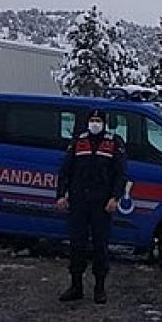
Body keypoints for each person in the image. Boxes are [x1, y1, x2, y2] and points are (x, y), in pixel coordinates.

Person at [56, 109, 127, 304]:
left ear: (104, 123)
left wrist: (115, 198)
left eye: (98, 120)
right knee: (77, 243)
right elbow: (65, 171)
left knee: (100, 245)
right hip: (79, 201)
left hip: (102, 203)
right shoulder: (79, 141)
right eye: (92, 120)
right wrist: (61, 195)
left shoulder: (114, 143)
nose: (95, 123)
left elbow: (120, 174)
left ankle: (99, 288)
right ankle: (76, 286)